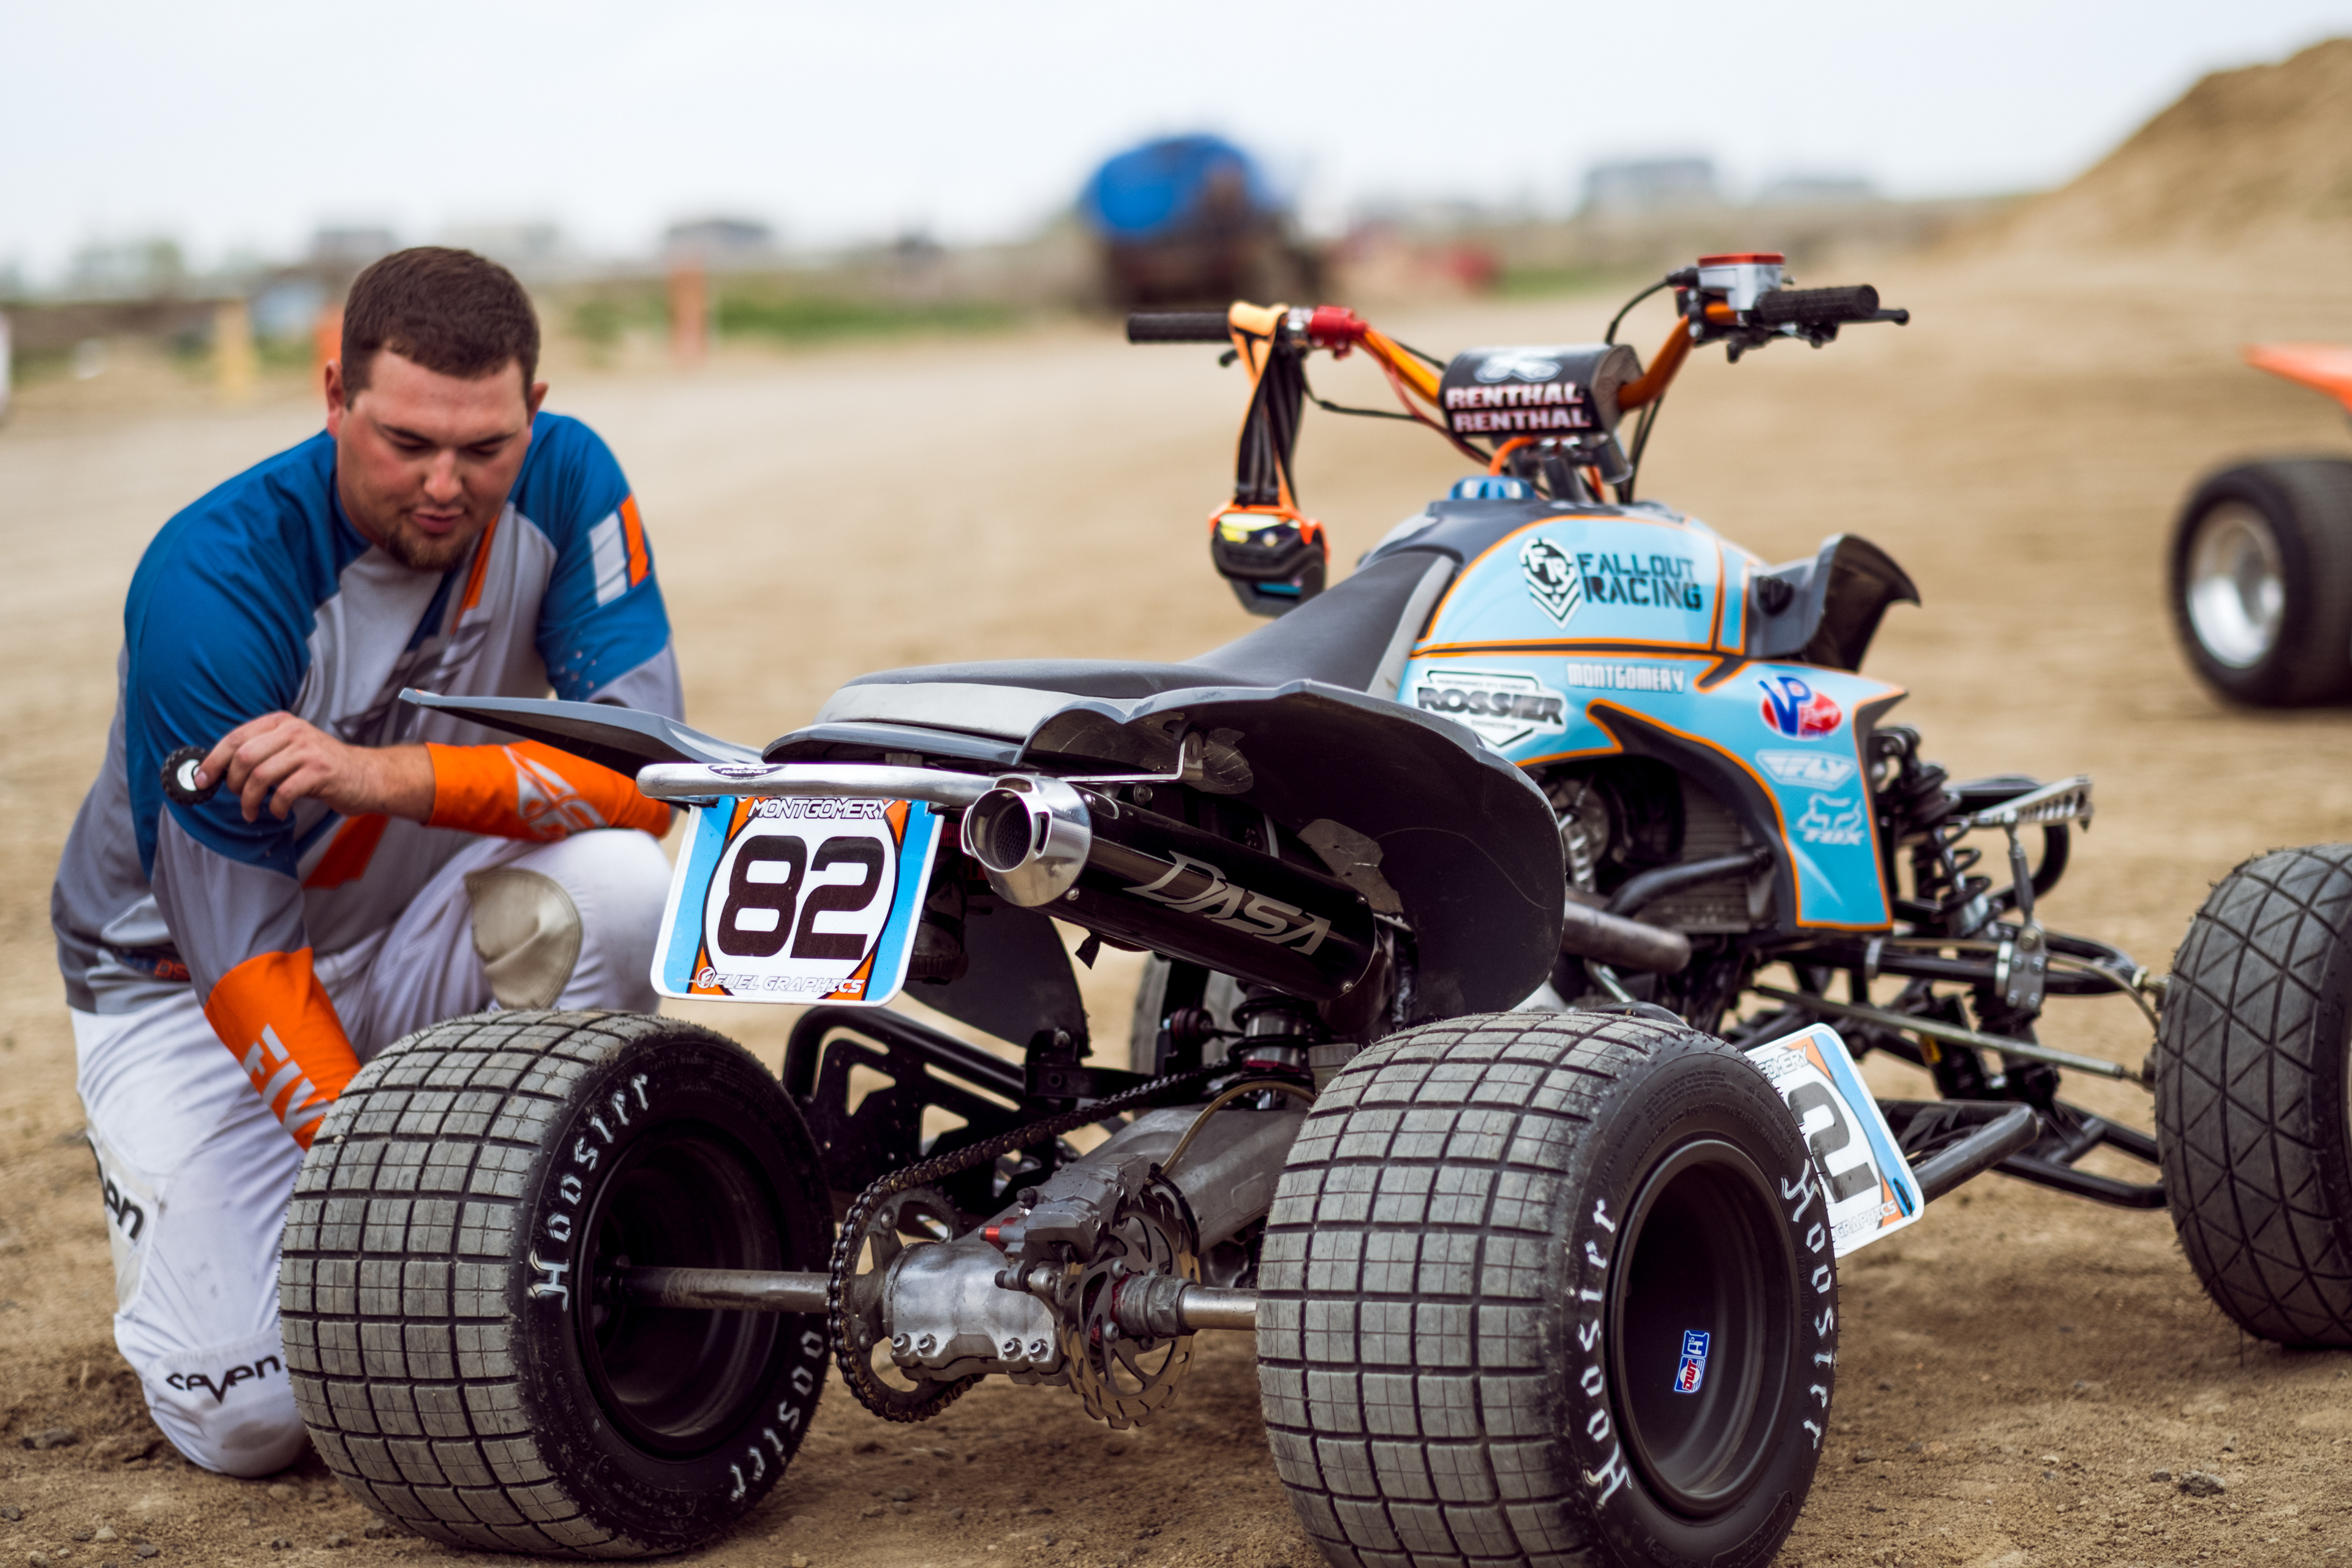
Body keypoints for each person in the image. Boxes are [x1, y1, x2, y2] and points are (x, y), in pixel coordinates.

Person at [50, 247, 682, 1476]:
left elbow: (647, 775)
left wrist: (381, 775)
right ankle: (199, 1186)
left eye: (485, 447)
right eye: (406, 443)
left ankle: (570, 1207)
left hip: (403, 933)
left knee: (620, 885)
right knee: (247, 1419)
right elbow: (245, 963)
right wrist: (398, 1208)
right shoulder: (215, 579)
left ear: (533, 411)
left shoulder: (569, 476)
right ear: (334, 393)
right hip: (190, 994)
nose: (447, 485)